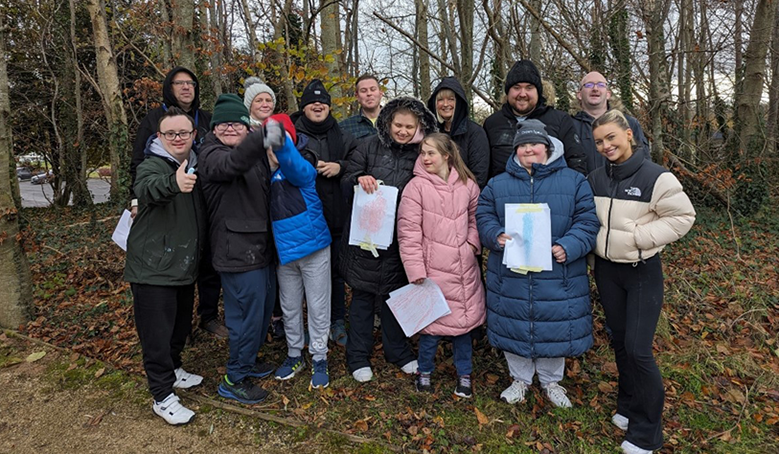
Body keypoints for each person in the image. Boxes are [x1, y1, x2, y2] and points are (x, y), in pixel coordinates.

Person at [588, 110, 695, 454]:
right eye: (599, 142)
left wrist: (639, 237)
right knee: (620, 343)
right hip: (607, 271)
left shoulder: (656, 177)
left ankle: (646, 434)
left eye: (611, 138)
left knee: (638, 349)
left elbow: (683, 216)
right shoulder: (595, 178)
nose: (606, 146)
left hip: (641, 272)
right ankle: (628, 405)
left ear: (629, 135)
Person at [476, 119, 598, 408]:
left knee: (554, 324)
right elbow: (483, 215)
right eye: (522, 145)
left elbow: (587, 221)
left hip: (557, 273)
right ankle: (520, 379)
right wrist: (495, 235)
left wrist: (568, 246)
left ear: (548, 147)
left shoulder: (574, 181)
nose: (528, 150)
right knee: (514, 323)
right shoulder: (497, 184)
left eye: (534, 144)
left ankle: (551, 381)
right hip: (512, 273)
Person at [340, 96, 438, 383]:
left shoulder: (421, 154)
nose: (403, 131)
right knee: (362, 298)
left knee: (396, 296)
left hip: (401, 239)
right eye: (398, 125)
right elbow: (346, 179)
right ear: (388, 122)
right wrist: (359, 179)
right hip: (367, 237)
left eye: (409, 126)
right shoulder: (368, 146)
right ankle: (358, 355)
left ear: (419, 127)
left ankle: (398, 351)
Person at [198, 94, 285, 405]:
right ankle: (234, 378)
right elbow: (232, 164)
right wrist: (262, 136)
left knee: (261, 312)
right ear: (213, 129)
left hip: (261, 247)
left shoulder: (253, 154)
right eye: (223, 124)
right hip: (235, 251)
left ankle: (249, 360)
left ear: (246, 127)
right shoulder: (211, 154)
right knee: (245, 316)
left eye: (237, 124)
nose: (230, 128)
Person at [130, 66, 225, 338]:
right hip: (168, 204)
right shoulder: (153, 120)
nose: (186, 87)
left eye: (191, 83)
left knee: (205, 261)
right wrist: (136, 200)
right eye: (179, 83)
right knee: (173, 261)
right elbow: (140, 166)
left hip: (202, 200)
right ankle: (172, 332)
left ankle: (206, 316)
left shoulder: (205, 119)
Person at [125, 107, 205, 425]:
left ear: (193, 135)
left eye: (183, 132)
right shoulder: (153, 165)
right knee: (156, 335)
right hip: (153, 268)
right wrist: (174, 182)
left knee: (178, 326)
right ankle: (161, 395)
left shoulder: (195, 162)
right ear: (159, 136)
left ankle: (174, 369)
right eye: (170, 133)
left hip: (181, 264)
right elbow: (147, 188)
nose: (177, 138)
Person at [397, 133, 486, 398]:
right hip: (431, 269)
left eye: (431, 153)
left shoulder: (468, 185)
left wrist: (471, 245)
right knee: (431, 327)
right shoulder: (416, 187)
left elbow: (476, 218)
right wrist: (416, 269)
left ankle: (464, 374)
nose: (425, 158)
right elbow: (408, 232)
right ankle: (424, 371)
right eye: (422, 153)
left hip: (463, 268)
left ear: (446, 155)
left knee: (463, 325)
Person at [261, 114, 334, 388]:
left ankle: (319, 356)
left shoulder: (302, 167)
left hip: (313, 250)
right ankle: (294, 354)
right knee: (289, 307)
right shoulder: (262, 174)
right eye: (270, 144)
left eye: (280, 143)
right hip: (284, 255)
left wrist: (279, 142)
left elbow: (292, 164)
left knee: (318, 306)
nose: (274, 150)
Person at [291, 80, 357, 348]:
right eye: (312, 102)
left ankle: (337, 320)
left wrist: (340, 167)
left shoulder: (343, 135)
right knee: (303, 276)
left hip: (336, 215)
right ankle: (307, 325)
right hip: (301, 219)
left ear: (329, 106)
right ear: (304, 106)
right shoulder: (292, 135)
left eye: (322, 102)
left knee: (336, 273)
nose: (317, 105)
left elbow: (359, 163)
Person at [483, 60, 587, 178]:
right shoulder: (492, 123)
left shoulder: (560, 120)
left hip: (552, 188)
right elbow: (485, 167)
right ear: (508, 92)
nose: (522, 94)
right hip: (504, 188)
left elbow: (576, 161)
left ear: (538, 92)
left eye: (529, 88)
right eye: (516, 88)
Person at [243, 77, 287, 342]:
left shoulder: (278, 128)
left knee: (279, 262)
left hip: (278, 201)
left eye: (268, 99)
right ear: (249, 105)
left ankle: (279, 316)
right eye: (258, 100)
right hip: (252, 204)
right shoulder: (242, 131)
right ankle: (263, 317)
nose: (264, 104)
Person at [571, 71, 650, 174]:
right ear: (579, 95)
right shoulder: (569, 125)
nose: (595, 89)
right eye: (589, 85)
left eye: (601, 85)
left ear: (608, 94)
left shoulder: (628, 123)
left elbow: (644, 159)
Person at [427, 77, 490, 188]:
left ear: (459, 102)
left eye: (451, 99)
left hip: (466, 194)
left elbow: (479, 176)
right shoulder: (431, 132)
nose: (445, 104)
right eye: (440, 100)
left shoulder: (475, 133)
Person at [339, 74, 383, 140]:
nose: (369, 93)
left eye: (373, 89)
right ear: (357, 96)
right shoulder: (344, 127)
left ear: (380, 93)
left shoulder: (394, 122)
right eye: (363, 91)